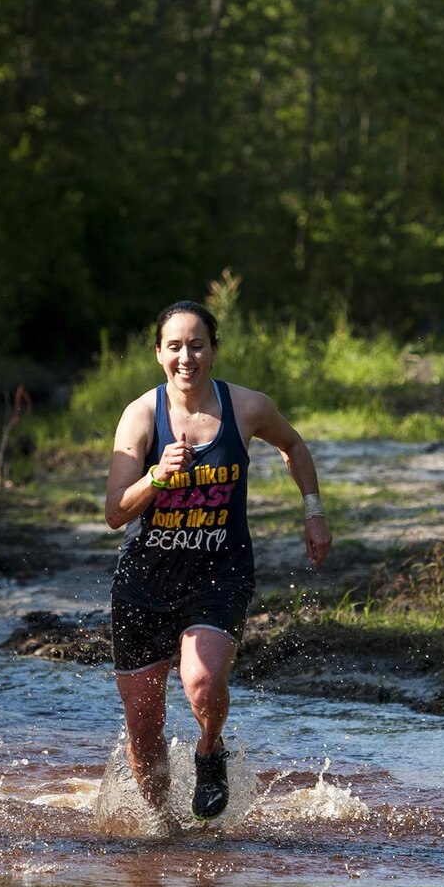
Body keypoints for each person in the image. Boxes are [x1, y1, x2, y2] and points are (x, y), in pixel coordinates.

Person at [103, 300, 331, 825]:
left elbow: (292, 444)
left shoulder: (246, 407)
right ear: (159, 353)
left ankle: (210, 749)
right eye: (175, 346)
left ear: (214, 349)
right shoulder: (140, 416)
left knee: (202, 681)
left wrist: (313, 513)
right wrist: (157, 476)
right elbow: (115, 512)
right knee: (144, 723)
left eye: (197, 344)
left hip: (219, 571)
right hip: (145, 579)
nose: (187, 356)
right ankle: (164, 828)